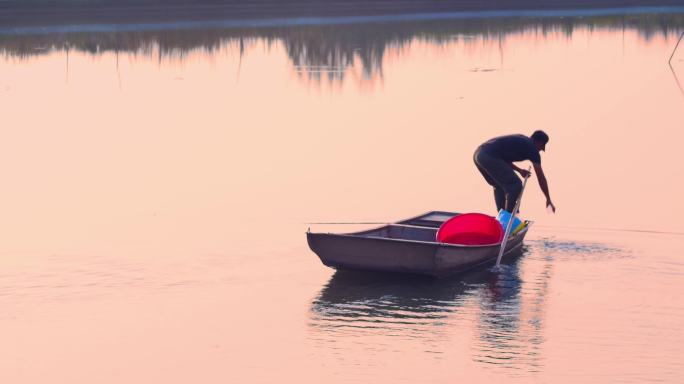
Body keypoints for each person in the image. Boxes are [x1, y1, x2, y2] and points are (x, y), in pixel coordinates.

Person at [473, 131, 556, 213]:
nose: (541, 149)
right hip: (488, 156)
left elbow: (503, 159)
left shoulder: (523, 140)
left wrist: (519, 170)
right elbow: (541, 177)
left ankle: (502, 218)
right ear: (539, 142)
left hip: (478, 155)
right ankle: (509, 216)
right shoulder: (532, 149)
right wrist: (548, 198)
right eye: (542, 146)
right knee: (515, 185)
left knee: (499, 185)